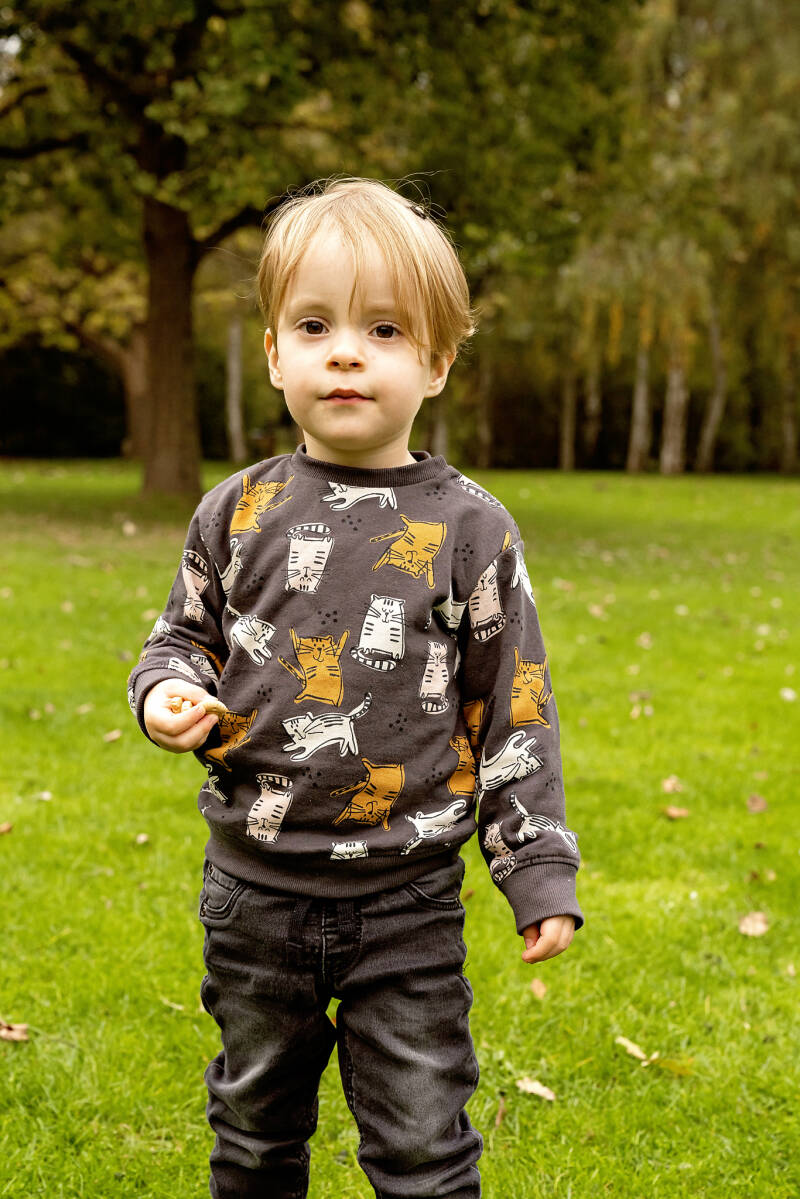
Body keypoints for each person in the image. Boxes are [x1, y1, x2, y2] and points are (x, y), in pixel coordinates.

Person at [127, 176, 583, 1199]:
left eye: (382, 328)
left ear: (436, 362)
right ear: (273, 353)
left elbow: (513, 704)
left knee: (423, 1149)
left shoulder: (470, 529)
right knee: (253, 1137)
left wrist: (535, 866)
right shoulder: (236, 512)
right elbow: (179, 640)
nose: (344, 352)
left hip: (406, 898)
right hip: (253, 891)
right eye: (314, 325)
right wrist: (165, 696)